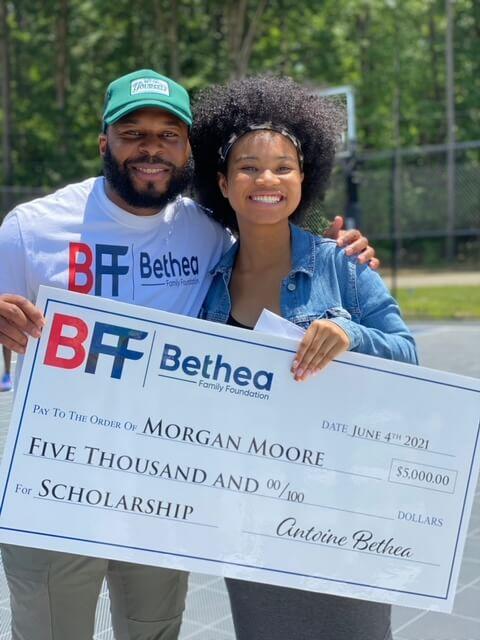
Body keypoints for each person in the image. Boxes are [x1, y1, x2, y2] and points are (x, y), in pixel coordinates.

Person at [0, 69, 377, 640]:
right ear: (104, 141)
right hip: (56, 491)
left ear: (188, 149)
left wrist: (340, 255)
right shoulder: (31, 229)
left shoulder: (211, 235)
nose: (150, 148)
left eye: (168, 135)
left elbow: (275, 240)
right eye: (132, 133)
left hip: (161, 491)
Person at [190, 75, 418, 639]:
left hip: (345, 513)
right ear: (222, 182)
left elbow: (408, 356)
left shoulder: (341, 264)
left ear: (303, 178)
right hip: (252, 520)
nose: (265, 179)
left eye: (282, 166)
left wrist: (351, 335)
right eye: (248, 166)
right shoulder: (209, 284)